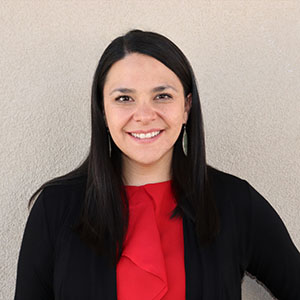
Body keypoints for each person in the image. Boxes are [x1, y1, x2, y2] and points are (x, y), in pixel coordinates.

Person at [14, 29, 300, 300]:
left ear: (187, 106)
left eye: (162, 96)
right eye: (124, 98)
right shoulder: (55, 209)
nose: (144, 115)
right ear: (103, 110)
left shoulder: (235, 203)